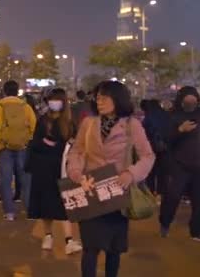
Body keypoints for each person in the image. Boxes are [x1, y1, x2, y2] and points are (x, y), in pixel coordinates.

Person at [67, 81, 154, 277]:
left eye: (104, 97)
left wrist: (131, 174)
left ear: (118, 99)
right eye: (97, 97)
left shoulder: (132, 125)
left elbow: (148, 156)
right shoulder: (89, 123)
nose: (99, 101)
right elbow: (77, 151)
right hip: (90, 190)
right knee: (89, 248)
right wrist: (76, 173)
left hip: (117, 193)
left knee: (113, 250)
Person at [159, 86, 200, 243]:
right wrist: (180, 130)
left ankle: (198, 231)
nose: (190, 102)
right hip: (178, 165)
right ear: (181, 99)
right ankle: (165, 222)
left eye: (193, 99)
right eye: (187, 99)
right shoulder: (172, 117)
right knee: (172, 197)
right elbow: (165, 140)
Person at [28, 88, 82, 255]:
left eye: (56, 99)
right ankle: (48, 236)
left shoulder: (70, 122)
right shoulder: (43, 120)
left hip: (63, 169)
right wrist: (48, 143)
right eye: (51, 99)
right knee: (46, 204)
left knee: (65, 204)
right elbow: (35, 143)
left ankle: (69, 240)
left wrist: (54, 144)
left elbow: (75, 143)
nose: (53, 102)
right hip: (44, 169)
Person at [0, 80, 37, 221]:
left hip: (4, 148)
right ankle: (29, 211)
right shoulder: (26, 107)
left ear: (4, 91)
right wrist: (28, 141)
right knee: (26, 180)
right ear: (17, 91)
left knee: (6, 180)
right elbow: (34, 127)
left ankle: (9, 212)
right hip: (23, 147)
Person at [141, 99, 170, 196]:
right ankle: (161, 192)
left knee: (151, 171)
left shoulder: (148, 117)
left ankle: (151, 191)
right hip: (164, 147)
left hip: (151, 147)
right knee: (162, 171)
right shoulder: (166, 115)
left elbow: (143, 132)